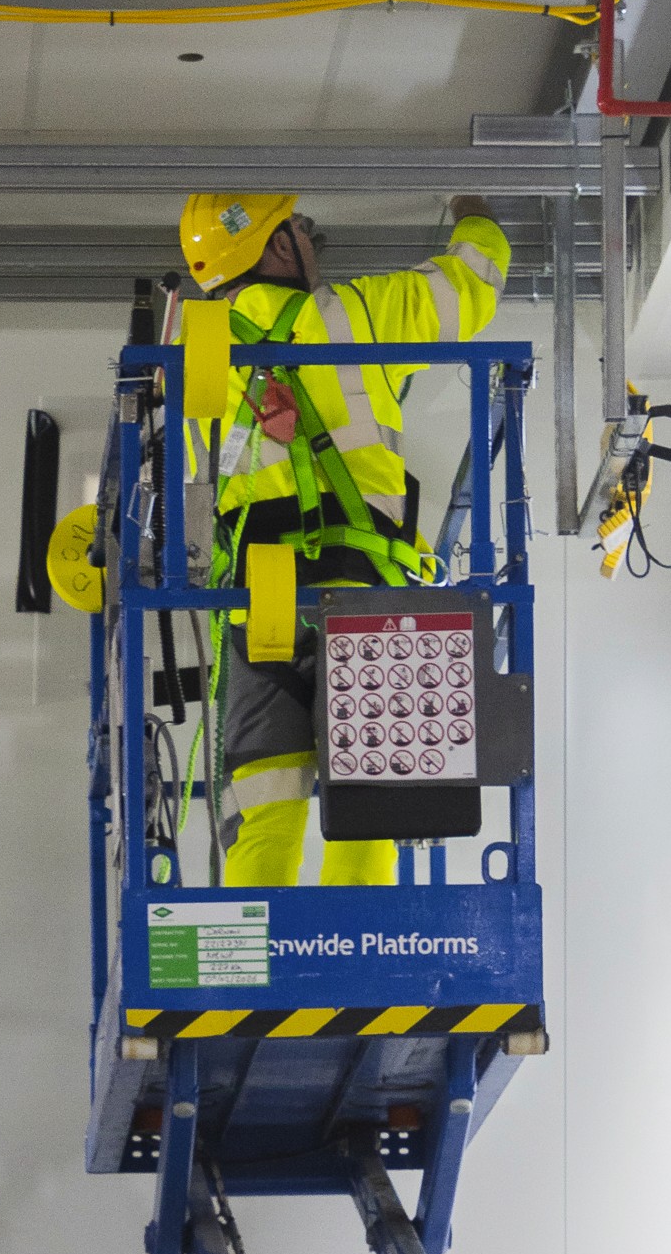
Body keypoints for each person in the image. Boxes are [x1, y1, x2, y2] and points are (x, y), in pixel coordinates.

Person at [178, 189, 511, 888]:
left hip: (257, 603)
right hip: (364, 598)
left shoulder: (189, 352)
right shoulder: (356, 316)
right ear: (276, 244)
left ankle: (257, 954)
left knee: (264, 817)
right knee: (369, 813)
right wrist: (471, 211)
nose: (310, 242)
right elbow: (473, 281)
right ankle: (359, 951)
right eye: (299, 231)